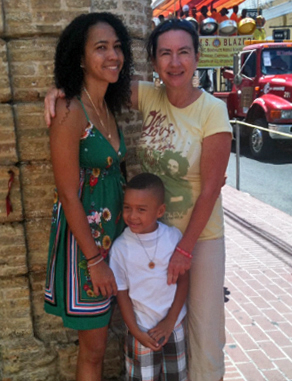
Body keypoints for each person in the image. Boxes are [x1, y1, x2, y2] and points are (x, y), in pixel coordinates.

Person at [44, 17, 232, 381]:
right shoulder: (145, 95)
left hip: (195, 238)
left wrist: (185, 248)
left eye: (183, 53)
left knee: (203, 330)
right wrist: (57, 90)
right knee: (136, 328)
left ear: (197, 56)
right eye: (165, 53)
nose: (174, 62)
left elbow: (210, 188)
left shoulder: (212, 110)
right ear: (153, 60)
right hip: (138, 237)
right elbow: (94, 83)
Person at [43, 12, 133, 381]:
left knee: (104, 341)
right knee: (94, 349)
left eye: (117, 46)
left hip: (116, 236)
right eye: (100, 48)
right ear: (79, 57)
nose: (113, 55)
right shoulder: (70, 109)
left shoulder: (109, 104)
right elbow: (67, 193)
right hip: (87, 245)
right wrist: (95, 260)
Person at [110, 173, 188, 380]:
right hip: (141, 329)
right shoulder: (120, 248)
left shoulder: (172, 238)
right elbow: (122, 294)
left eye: (141, 209)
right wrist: (135, 331)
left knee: (176, 376)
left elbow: (183, 281)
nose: (132, 216)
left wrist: (171, 321)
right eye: (127, 207)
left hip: (174, 325)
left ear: (160, 210)